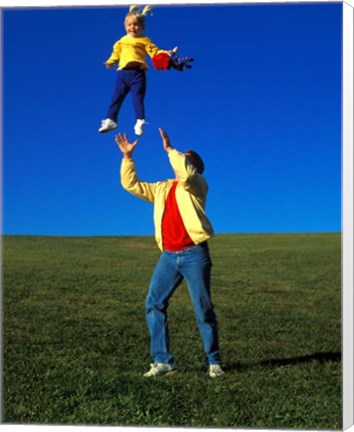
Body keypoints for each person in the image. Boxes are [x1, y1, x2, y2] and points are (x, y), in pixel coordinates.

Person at [115, 128, 224, 378]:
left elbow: (185, 175)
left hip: (194, 253)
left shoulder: (197, 185)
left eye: (185, 160)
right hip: (169, 256)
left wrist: (169, 149)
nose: (178, 162)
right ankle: (163, 361)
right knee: (153, 303)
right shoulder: (162, 189)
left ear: (193, 167)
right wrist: (128, 158)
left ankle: (214, 361)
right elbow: (130, 184)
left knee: (202, 307)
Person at [99, 5, 176, 136]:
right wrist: (110, 61)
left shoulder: (144, 40)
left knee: (137, 98)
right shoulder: (121, 41)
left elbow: (154, 51)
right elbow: (116, 54)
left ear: (142, 27)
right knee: (116, 98)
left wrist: (166, 53)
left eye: (136, 25)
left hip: (137, 74)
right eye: (130, 25)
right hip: (123, 73)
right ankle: (110, 120)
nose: (133, 27)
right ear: (125, 27)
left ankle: (140, 121)